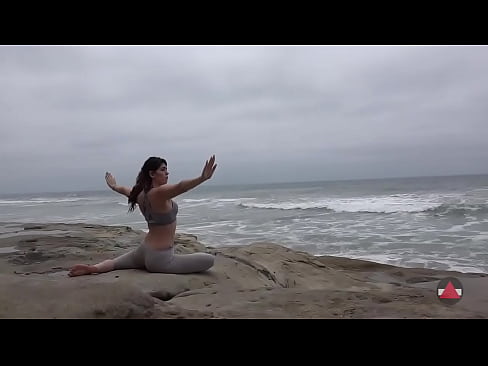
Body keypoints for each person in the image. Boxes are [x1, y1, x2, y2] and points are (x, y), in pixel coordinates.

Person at [68, 155, 217, 277]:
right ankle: (94, 268)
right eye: (163, 169)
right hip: (160, 258)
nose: (167, 173)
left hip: (144, 251)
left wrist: (114, 186)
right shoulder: (159, 192)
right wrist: (202, 178)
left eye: (167, 169)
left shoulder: (139, 194)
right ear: (152, 174)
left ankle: (94, 268)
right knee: (209, 260)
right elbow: (180, 186)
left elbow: (124, 190)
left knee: (115, 263)